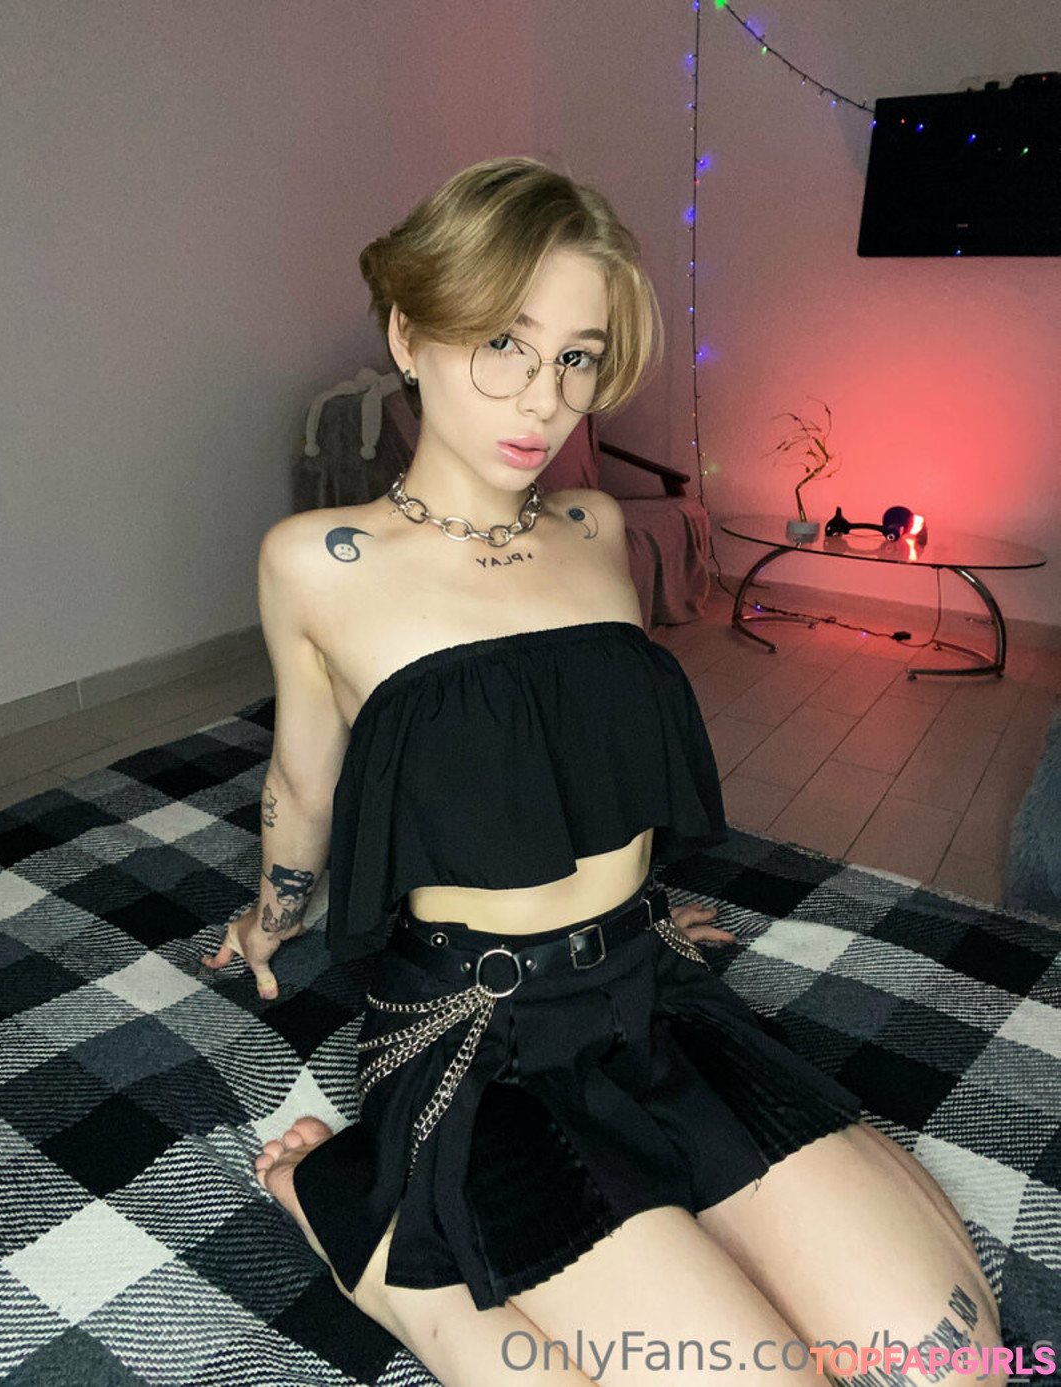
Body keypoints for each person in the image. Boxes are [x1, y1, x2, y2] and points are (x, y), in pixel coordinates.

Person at [203, 158, 1007, 1386]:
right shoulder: (320, 560)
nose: (547, 399)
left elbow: (570, 754)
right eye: (505, 345)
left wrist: (641, 908)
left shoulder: (596, 531)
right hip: (478, 1035)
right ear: (408, 333)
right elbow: (305, 787)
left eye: (577, 357)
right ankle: (362, 1220)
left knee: (957, 1359)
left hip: (645, 993)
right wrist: (274, 915)